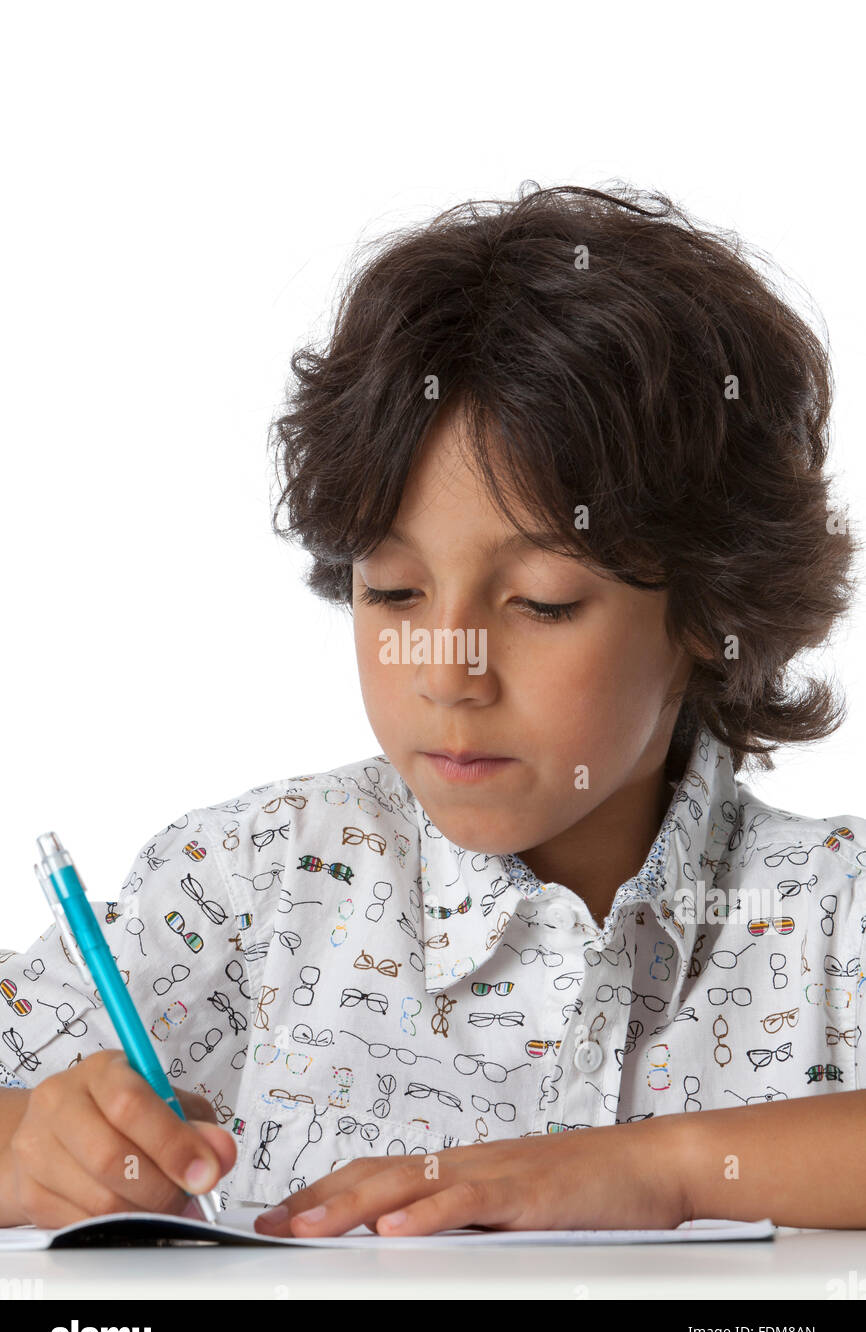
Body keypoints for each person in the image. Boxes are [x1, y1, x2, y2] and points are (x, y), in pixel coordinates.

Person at [1, 182, 864, 1238]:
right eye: (395, 591)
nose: (446, 671)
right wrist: (31, 1147)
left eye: (541, 602)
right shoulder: (254, 882)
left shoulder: (831, 914)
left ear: (704, 608)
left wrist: (663, 1168)